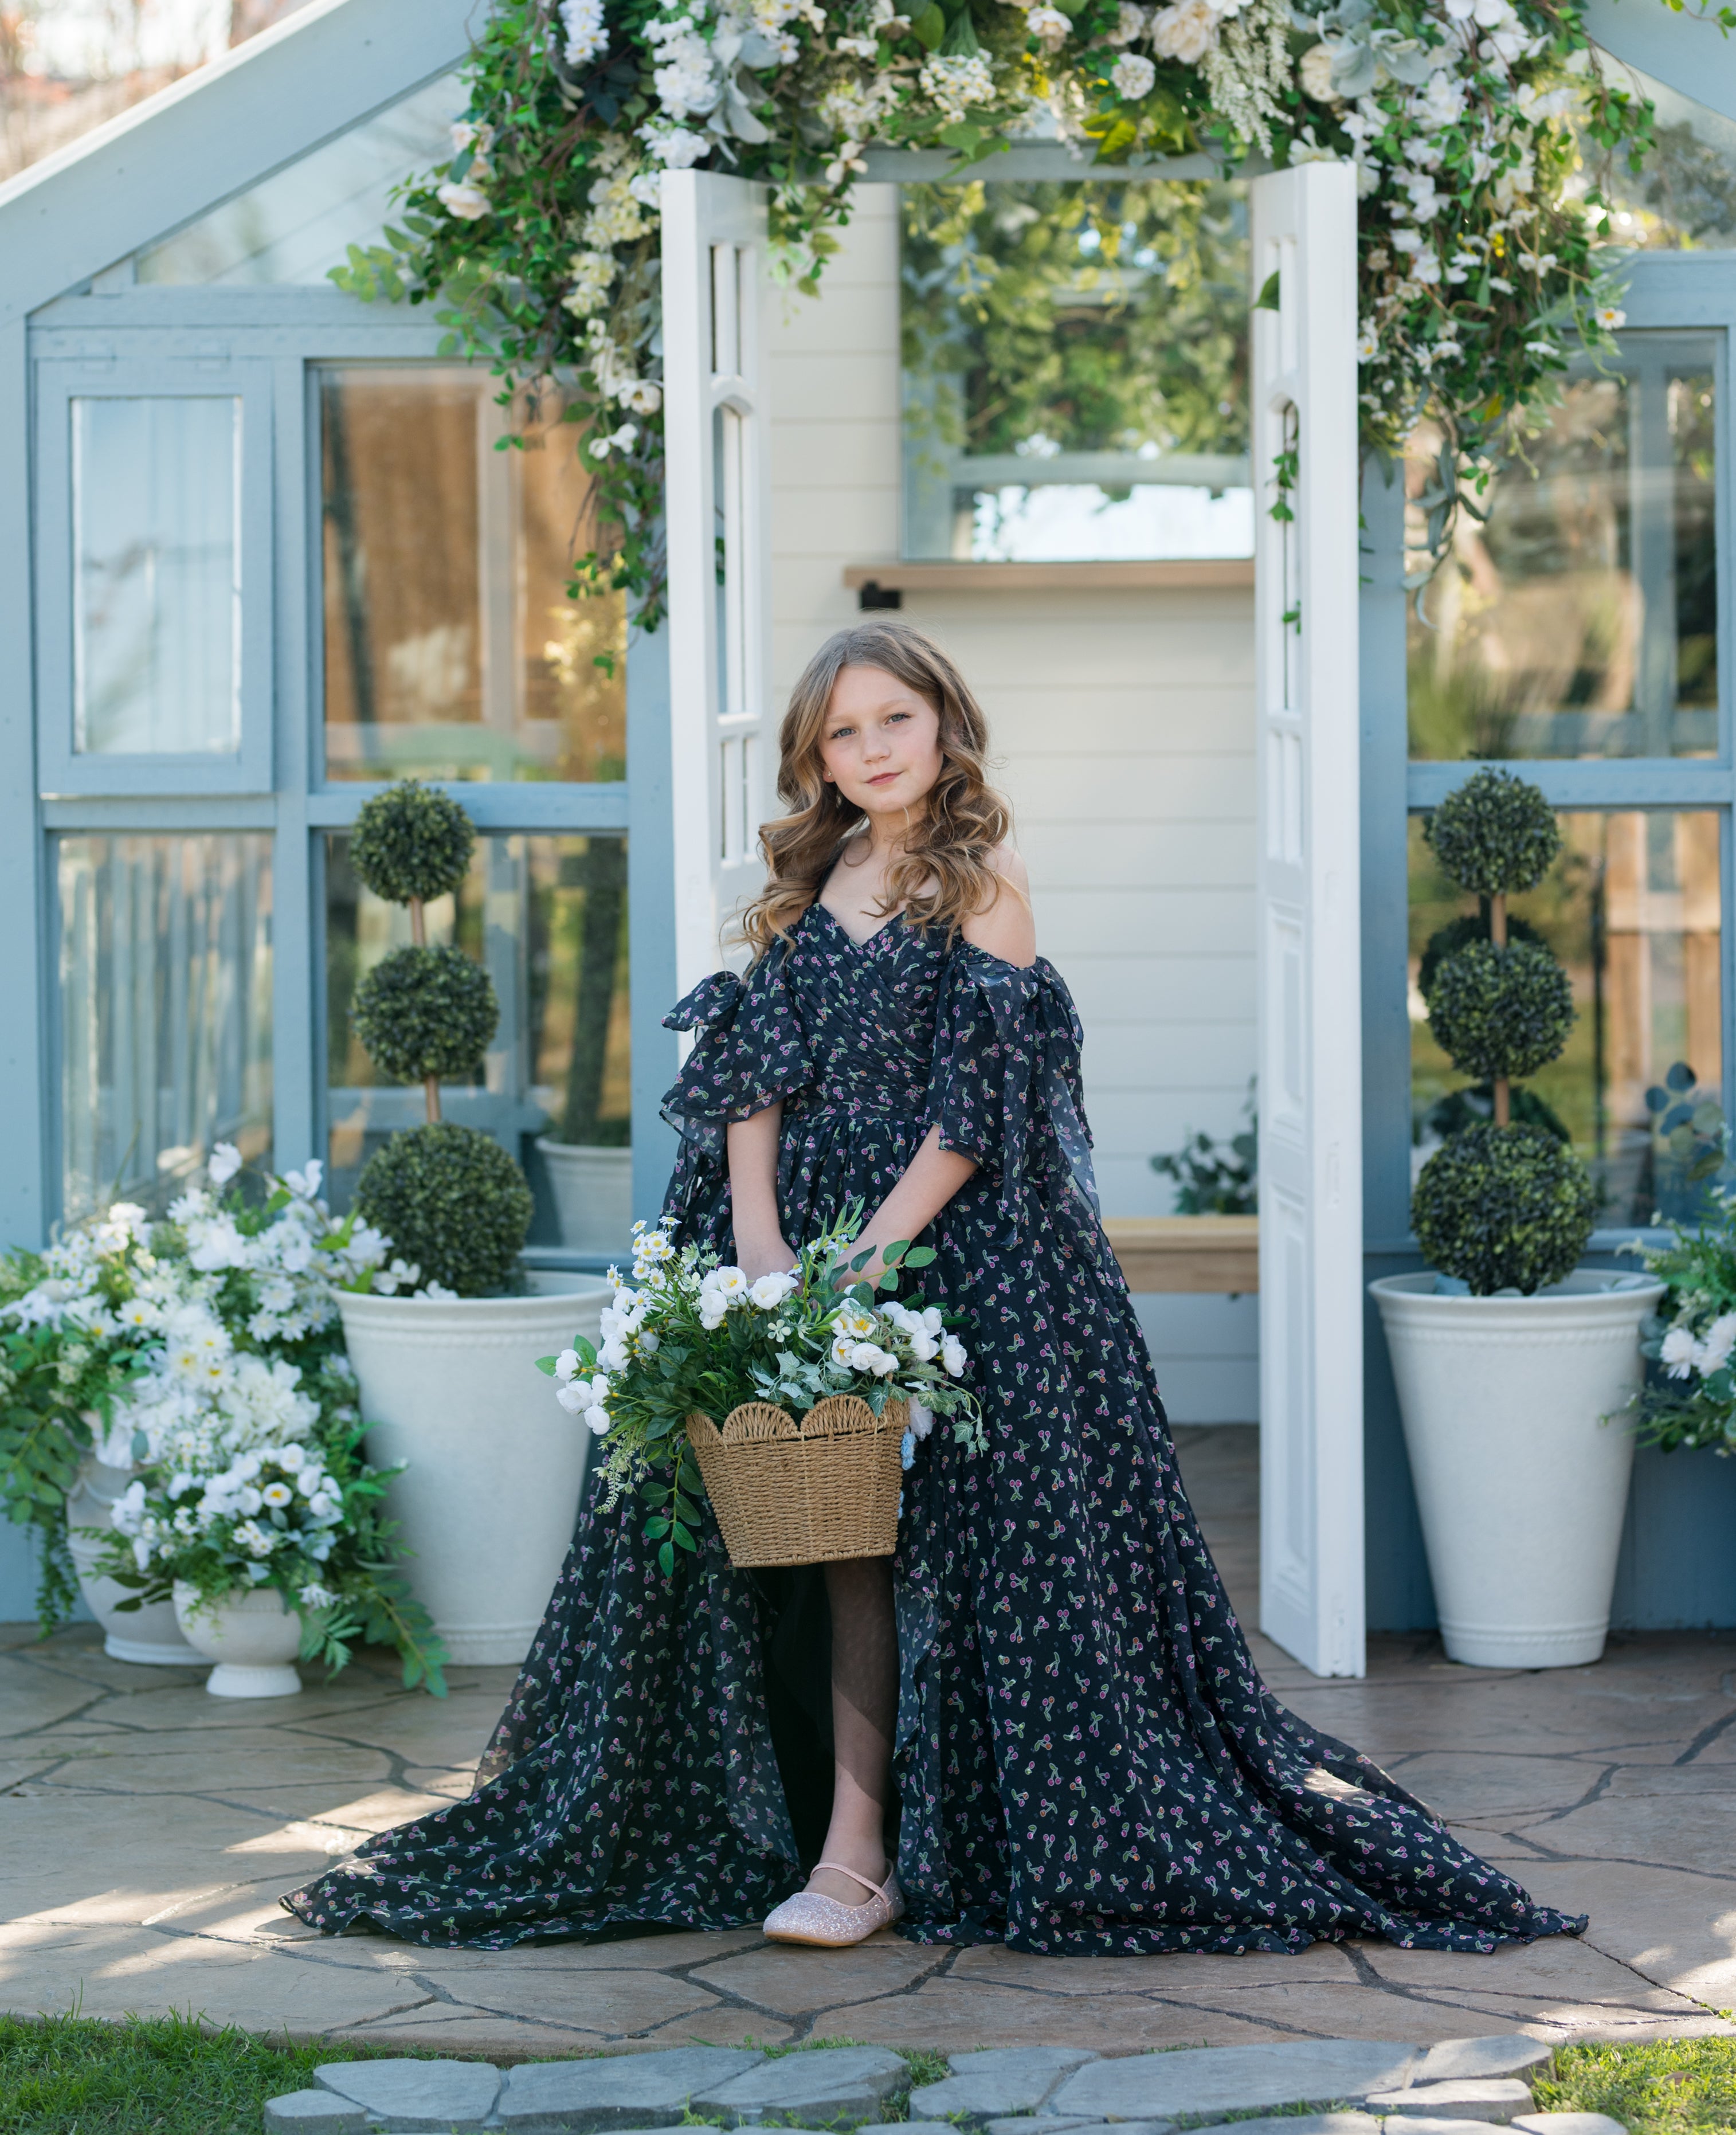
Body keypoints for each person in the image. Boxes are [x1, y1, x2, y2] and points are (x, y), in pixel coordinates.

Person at [284, 622, 1584, 1957]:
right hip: (804, 1242)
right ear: (818, 760)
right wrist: (760, 1245)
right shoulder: (813, 880)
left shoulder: (985, 881)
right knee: (823, 1525)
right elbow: (751, 1074)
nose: (872, 751)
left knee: (957, 1546)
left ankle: (892, 1846)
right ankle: (837, 1838)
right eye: (843, 734)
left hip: (964, 1257)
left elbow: (978, 1111)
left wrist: (877, 1254)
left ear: (944, 723)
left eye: (893, 721)